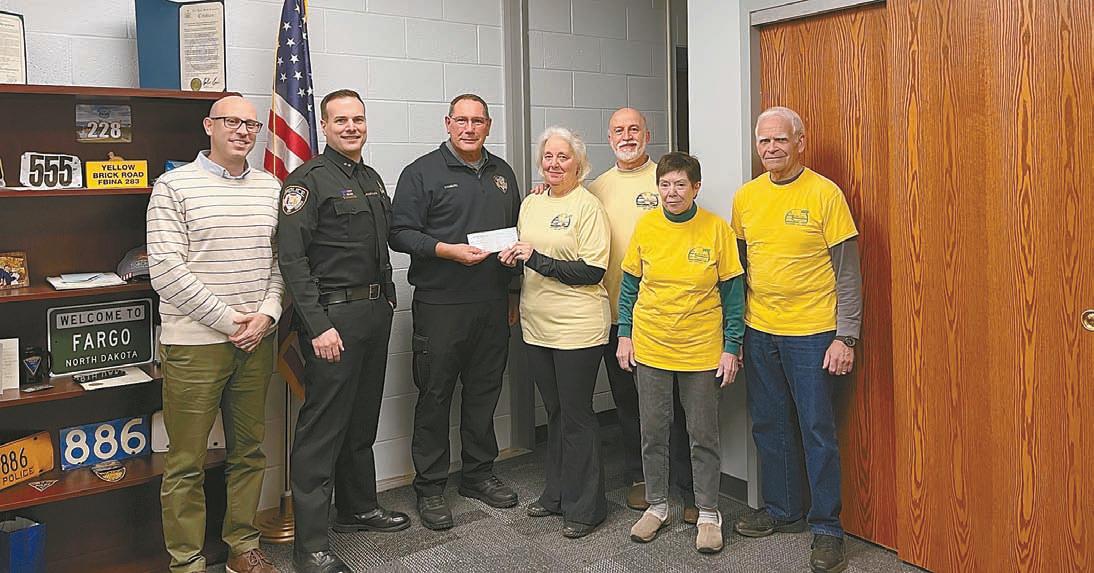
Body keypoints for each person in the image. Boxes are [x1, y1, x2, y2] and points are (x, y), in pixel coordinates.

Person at [147, 95, 283, 573]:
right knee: (186, 461)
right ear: (209, 126)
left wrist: (267, 316)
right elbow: (167, 272)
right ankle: (187, 561)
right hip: (194, 346)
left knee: (249, 452)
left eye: (251, 125)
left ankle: (242, 548)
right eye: (232, 122)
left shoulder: (270, 187)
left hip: (256, 341)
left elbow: (280, 264)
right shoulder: (174, 186)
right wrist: (231, 322)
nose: (243, 131)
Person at [278, 89, 409, 573]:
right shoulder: (307, 181)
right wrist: (317, 326)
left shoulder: (369, 178)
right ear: (325, 126)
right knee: (322, 429)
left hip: (373, 314)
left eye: (358, 119)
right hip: (332, 320)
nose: (351, 127)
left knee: (361, 418)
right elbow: (292, 259)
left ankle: (358, 507)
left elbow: (387, 239)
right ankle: (310, 547)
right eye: (341, 121)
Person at [731, 106, 862, 573]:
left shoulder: (825, 194)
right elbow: (739, 271)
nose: (770, 149)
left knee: (816, 430)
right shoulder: (746, 197)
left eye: (780, 140)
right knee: (769, 425)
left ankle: (827, 528)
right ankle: (783, 510)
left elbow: (848, 274)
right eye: (763, 141)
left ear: (800, 142)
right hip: (760, 330)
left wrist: (846, 336)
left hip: (813, 334)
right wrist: (735, 333)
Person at [389, 93, 522, 531]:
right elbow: (399, 233)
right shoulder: (421, 172)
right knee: (435, 396)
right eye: (461, 120)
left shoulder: (502, 173)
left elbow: (516, 232)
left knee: (484, 392)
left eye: (477, 121)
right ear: (447, 123)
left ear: (488, 125)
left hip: (492, 302)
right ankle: (430, 487)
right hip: (441, 305)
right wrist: (445, 250)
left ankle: (478, 474)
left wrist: (513, 293)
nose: (469, 128)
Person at [616, 151, 744, 554]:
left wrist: (732, 348)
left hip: (701, 351)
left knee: (702, 435)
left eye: (680, 185)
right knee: (653, 431)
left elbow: (734, 295)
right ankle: (657, 506)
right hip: (651, 347)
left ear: (696, 188)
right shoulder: (647, 226)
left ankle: (708, 513)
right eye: (665, 184)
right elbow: (629, 287)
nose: (671, 192)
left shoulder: (716, 229)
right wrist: (625, 335)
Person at [500, 126, 611, 539]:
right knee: (556, 412)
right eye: (548, 157)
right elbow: (524, 255)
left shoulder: (588, 206)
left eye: (563, 157)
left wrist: (536, 259)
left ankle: (587, 508)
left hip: (578, 327)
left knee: (577, 414)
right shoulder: (531, 203)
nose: (554, 163)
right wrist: (512, 260)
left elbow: (592, 271)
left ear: (578, 164)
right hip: (537, 325)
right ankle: (556, 495)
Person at [588, 108, 697, 522]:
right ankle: (640, 477)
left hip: (665, 318)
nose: (627, 136)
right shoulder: (597, 187)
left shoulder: (665, 179)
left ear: (648, 135)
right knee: (629, 404)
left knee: (675, 408)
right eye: (618, 130)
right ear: (609, 138)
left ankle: (687, 486)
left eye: (634, 129)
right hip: (617, 316)